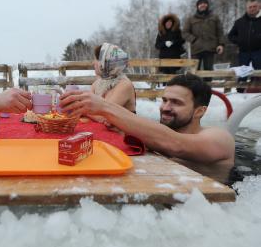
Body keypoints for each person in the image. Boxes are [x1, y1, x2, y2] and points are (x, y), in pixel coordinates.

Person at [60, 73, 235, 183]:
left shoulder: (220, 138)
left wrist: (105, 107)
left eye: (176, 103)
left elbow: (177, 145)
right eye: (164, 100)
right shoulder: (163, 133)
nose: (165, 107)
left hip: (210, 212)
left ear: (200, 111)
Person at [89, 43, 136, 125]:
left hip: (125, 134)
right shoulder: (98, 83)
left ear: (105, 62)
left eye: (96, 59)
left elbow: (104, 116)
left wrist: (82, 110)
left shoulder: (124, 85)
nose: (93, 63)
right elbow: (89, 106)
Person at [183, 0, 225, 76]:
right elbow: (185, 33)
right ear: (197, 6)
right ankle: (195, 88)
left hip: (210, 49)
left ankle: (208, 87)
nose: (203, 5)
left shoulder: (215, 17)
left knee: (208, 73)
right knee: (194, 72)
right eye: (200, 3)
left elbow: (220, 32)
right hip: (196, 49)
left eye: (205, 3)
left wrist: (221, 44)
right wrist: (194, 40)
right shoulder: (191, 19)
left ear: (207, 5)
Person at [228, 0, 261, 92]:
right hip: (244, 52)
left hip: (259, 51)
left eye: (254, 6)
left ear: (259, 7)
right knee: (242, 73)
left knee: (259, 72)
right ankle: (240, 92)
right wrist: (239, 41)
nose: (252, 9)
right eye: (250, 7)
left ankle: (258, 92)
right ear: (247, 8)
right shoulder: (239, 22)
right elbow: (230, 36)